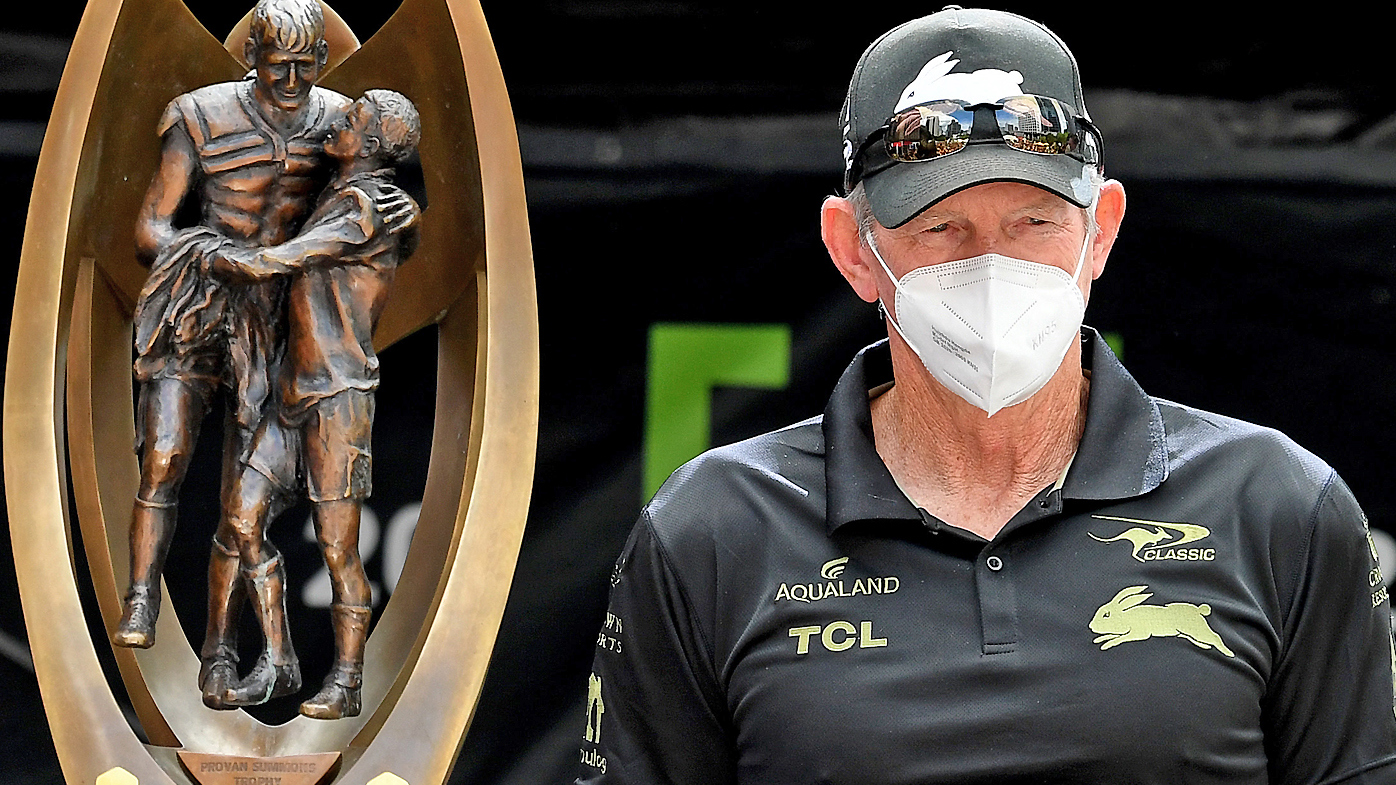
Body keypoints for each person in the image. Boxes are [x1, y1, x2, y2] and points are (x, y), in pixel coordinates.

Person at [578, 7, 1396, 784]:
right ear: (853, 250)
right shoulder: (714, 527)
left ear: (1100, 231)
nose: (993, 267)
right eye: (941, 228)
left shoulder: (1279, 504)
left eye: (1034, 223)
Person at [116, 0, 350, 712]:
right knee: (162, 455)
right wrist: (219, 254)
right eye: (277, 62)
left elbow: (372, 193)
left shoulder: (338, 120)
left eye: (306, 64)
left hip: (273, 325)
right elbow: (151, 227)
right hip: (196, 300)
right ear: (250, 54)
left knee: (241, 502)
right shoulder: (200, 114)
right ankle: (141, 592)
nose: (291, 78)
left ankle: (220, 650)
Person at [204, 88, 422, 718]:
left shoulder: (369, 206)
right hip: (295, 392)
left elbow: (287, 258)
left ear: (373, 147)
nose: (339, 121)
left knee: (338, 548)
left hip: (338, 399)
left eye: (351, 120)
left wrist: (222, 256)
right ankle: (280, 657)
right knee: (242, 517)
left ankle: (348, 680)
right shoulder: (343, 193)